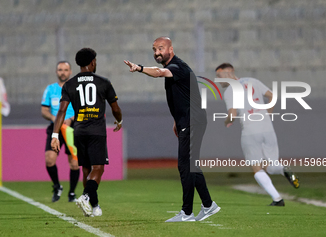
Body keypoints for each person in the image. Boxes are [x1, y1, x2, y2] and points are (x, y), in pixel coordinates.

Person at [124, 37, 220, 222]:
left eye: (160, 48)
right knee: (190, 165)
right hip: (188, 120)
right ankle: (208, 205)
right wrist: (177, 120)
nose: (157, 52)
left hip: (193, 121)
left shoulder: (177, 67)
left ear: (171, 49)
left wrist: (140, 68)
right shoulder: (175, 67)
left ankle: (187, 213)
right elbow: (183, 96)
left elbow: (160, 73)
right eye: (154, 49)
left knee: (185, 165)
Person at [51, 48, 123, 217]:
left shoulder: (69, 84)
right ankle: (85, 197)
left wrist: (55, 135)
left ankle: (94, 205)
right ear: (92, 62)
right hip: (96, 131)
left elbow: (61, 111)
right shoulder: (104, 82)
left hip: (79, 131)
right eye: (95, 61)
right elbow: (115, 108)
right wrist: (119, 121)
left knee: (86, 169)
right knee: (98, 168)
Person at [216, 63, 299, 206]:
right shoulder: (252, 81)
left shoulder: (230, 90)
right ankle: (283, 169)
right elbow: (272, 96)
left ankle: (277, 199)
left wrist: (227, 121)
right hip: (267, 127)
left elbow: (232, 114)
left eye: (219, 76)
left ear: (228, 73)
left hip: (250, 130)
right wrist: (268, 114)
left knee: (256, 167)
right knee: (270, 165)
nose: (218, 80)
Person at [41, 61, 79, 202]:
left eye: (65, 70)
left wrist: (69, 120)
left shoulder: (76, 89)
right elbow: (44, 110)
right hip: (55, 128)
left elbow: (82, 109)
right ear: (56, 72)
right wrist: (56, 119)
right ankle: (57, 186)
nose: (62, 72)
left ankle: (72, 193)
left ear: (70, 72)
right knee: (49, 160)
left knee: (74, 163)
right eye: (60, 70)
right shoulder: (50, 89)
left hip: (72, 128)